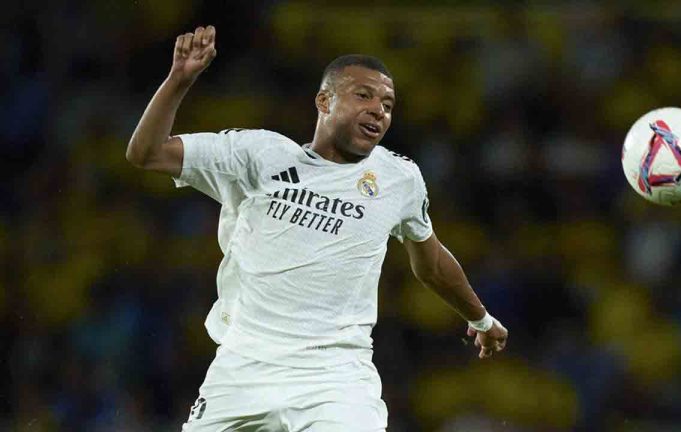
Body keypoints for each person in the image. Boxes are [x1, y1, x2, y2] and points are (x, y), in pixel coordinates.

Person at [126, 25, 508, 432]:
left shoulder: (398, 178)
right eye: (364, 95)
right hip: (244, 369)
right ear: (324, 101)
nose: (379, 109)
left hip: (336, 378)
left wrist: (481, 319)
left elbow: (430, 262)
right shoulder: (257, 155)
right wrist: (178, 81)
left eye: (389, 103)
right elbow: (146, 153)